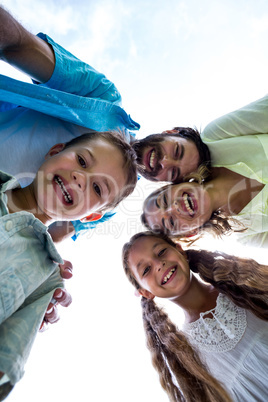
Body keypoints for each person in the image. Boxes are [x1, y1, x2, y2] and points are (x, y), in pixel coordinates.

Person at [0, 130, 137, 399]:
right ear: (55, 151)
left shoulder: (47, 281)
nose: (80, 178)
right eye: (82, 162)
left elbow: (6, 361)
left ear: (92, 215)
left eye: (98, 188)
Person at [0, 5, 140, 242]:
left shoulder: (102, 206)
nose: (163, 164)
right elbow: (21, 45)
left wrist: (42, 262)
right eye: (176, 151)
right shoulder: (101, 100)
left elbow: (54, 237)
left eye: (176, 173)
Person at [122, 231, 268, 401]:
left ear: (180, 250)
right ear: (145, 292)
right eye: (146, 269)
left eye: (161, 252)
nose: (158, 264)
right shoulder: (187, 359)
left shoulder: (248, 282)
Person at [132, 94, 268, 184]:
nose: (164, 161)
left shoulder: (214, 135)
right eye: (173, 171)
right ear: (169, 132)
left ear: (172, 132)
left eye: (177, 151)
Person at [141, 160, 268, 248]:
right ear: (191, 232)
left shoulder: (218, 145)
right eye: (172, 222)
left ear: (175, 184)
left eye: (164, 200)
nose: (174, 207)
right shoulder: (246, 236)